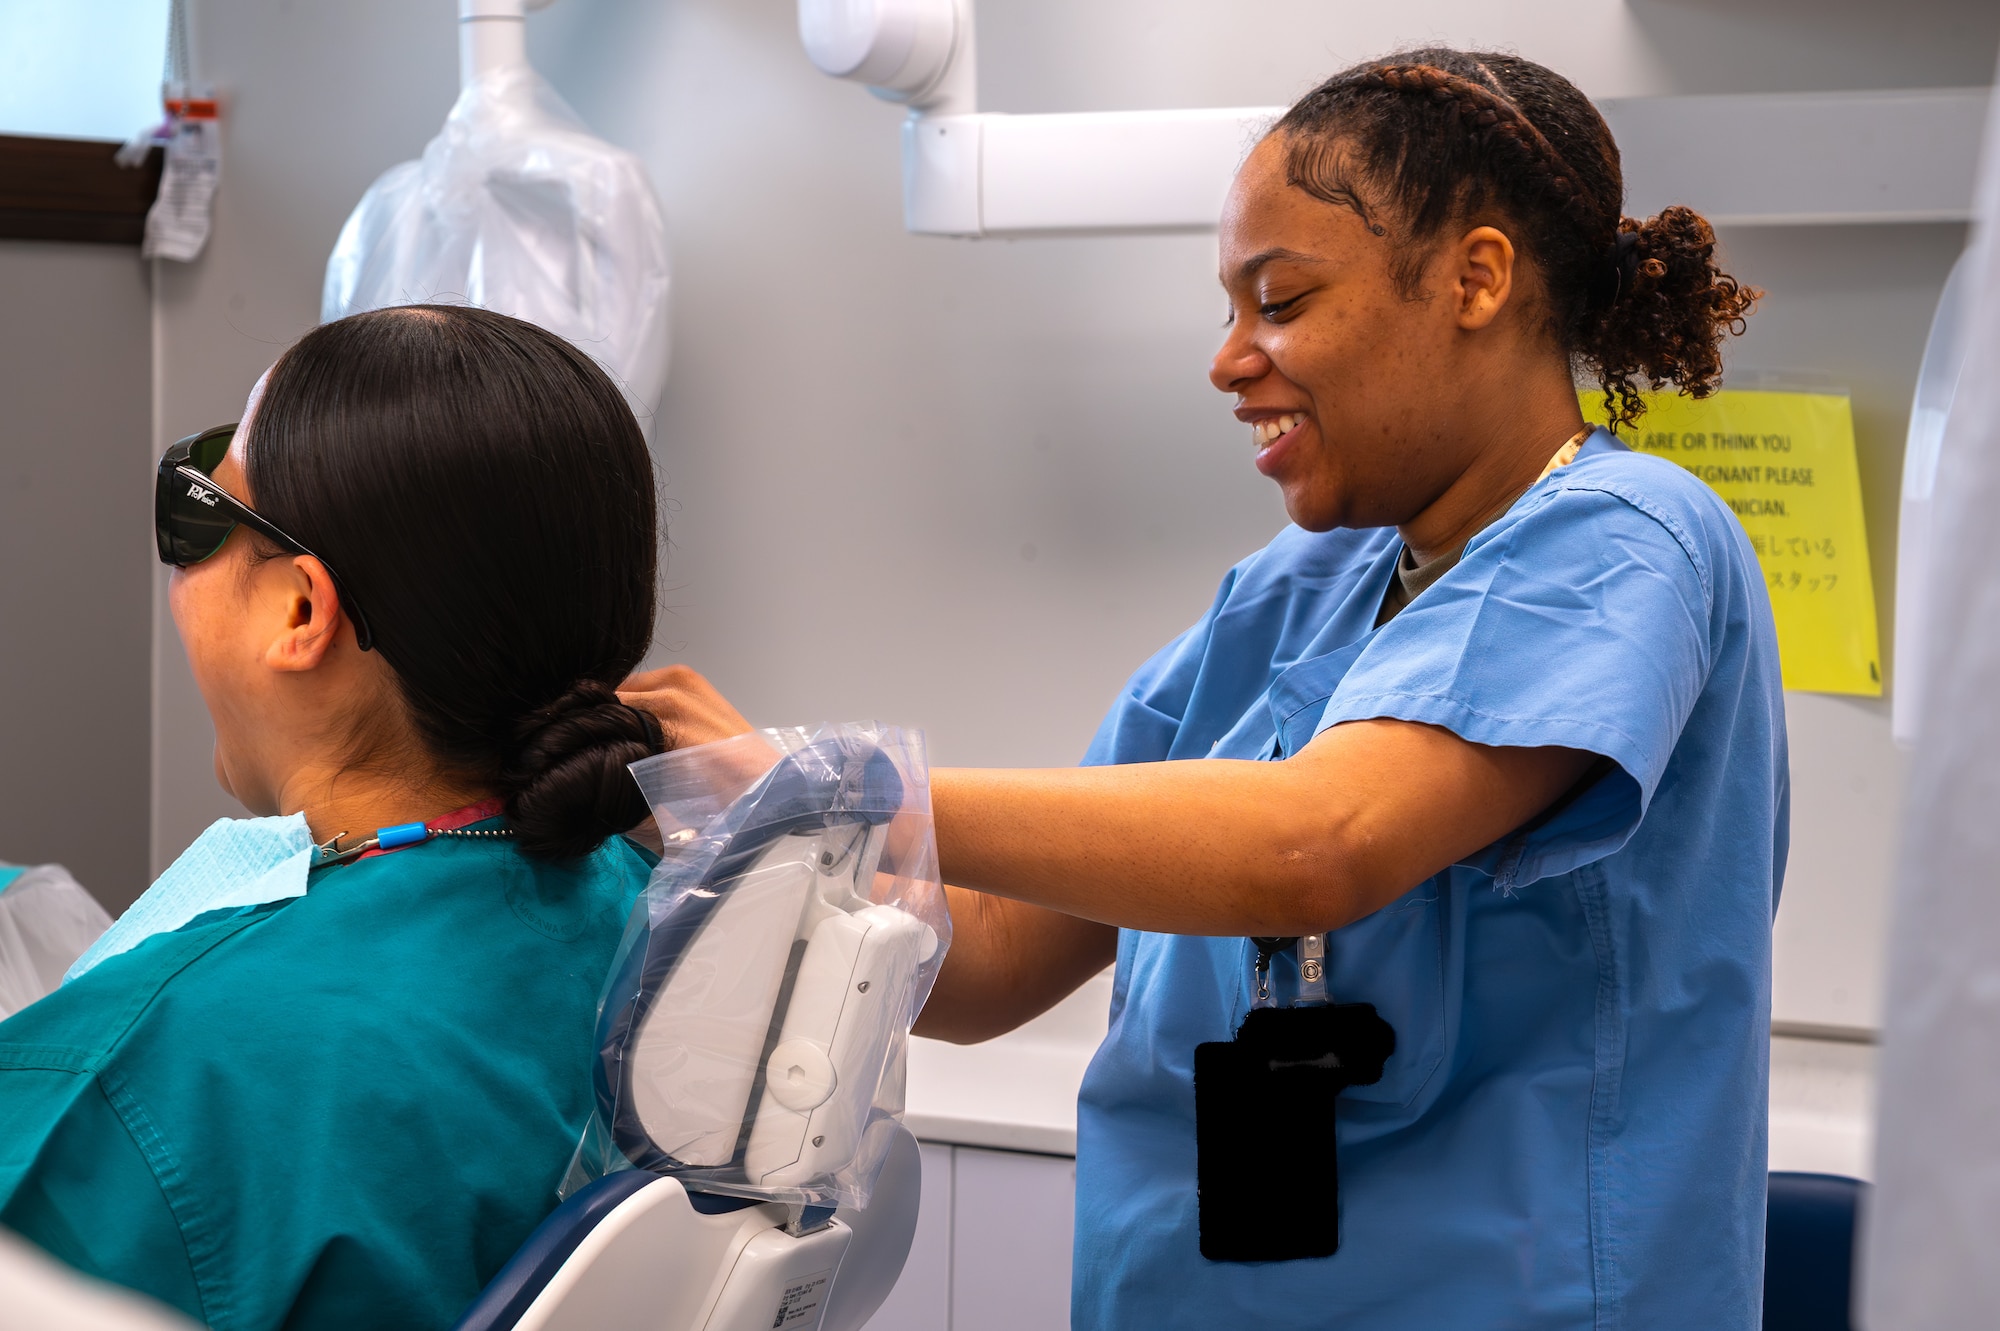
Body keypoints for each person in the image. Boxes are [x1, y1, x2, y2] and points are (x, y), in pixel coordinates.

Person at [626, 49, 1782, 1329]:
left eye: (1278, 300)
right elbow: (995, 955)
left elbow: (1312, 846)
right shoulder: (1299, 590)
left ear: (1476, 277)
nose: (1228, 361)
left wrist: (840, 785)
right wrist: (710, 823)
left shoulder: (1631, 541)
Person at [0, 306, 667, 1330]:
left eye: (200, 515)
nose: (179, 568)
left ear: (302, 611)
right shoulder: (648, 914)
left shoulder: (159, 1079)